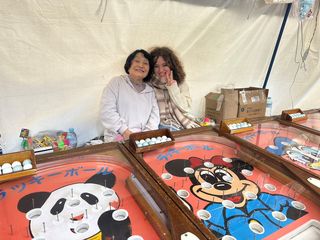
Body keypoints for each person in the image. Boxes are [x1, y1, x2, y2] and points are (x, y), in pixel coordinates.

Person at [100, 49, 160, 142]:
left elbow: (154, 117)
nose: (141, 65)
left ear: (149, 70)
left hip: (143, 140)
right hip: (117, 138)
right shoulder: (117, 82)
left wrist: (145, 136)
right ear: (129, 65)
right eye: (137, 61)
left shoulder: (150, 91)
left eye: (145, 63)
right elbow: (107, 111)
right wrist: (124, 131)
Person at [149, 47, 199, 131]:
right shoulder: (148, 84)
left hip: (181, 123)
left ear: (172, 65)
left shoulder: (180, 82)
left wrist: (172, 87)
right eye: (156, 66)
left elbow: (185, 108)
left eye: (165, 65)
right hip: (158, 125)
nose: (161, 70)